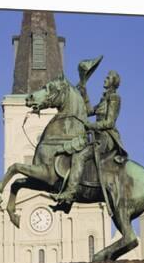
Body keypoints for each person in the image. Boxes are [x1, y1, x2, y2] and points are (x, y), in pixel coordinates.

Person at [53, 70, 127, 207]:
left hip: (107, 137)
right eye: (106, 76)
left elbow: (109, 122)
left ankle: (70, 192)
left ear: (113, 82)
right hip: (98, 135)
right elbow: (88, 111)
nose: (105, 79)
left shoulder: (114, 98)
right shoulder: (104, 99)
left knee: (79, 157)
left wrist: (91, 125)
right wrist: (84, 92)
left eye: (108, 77)